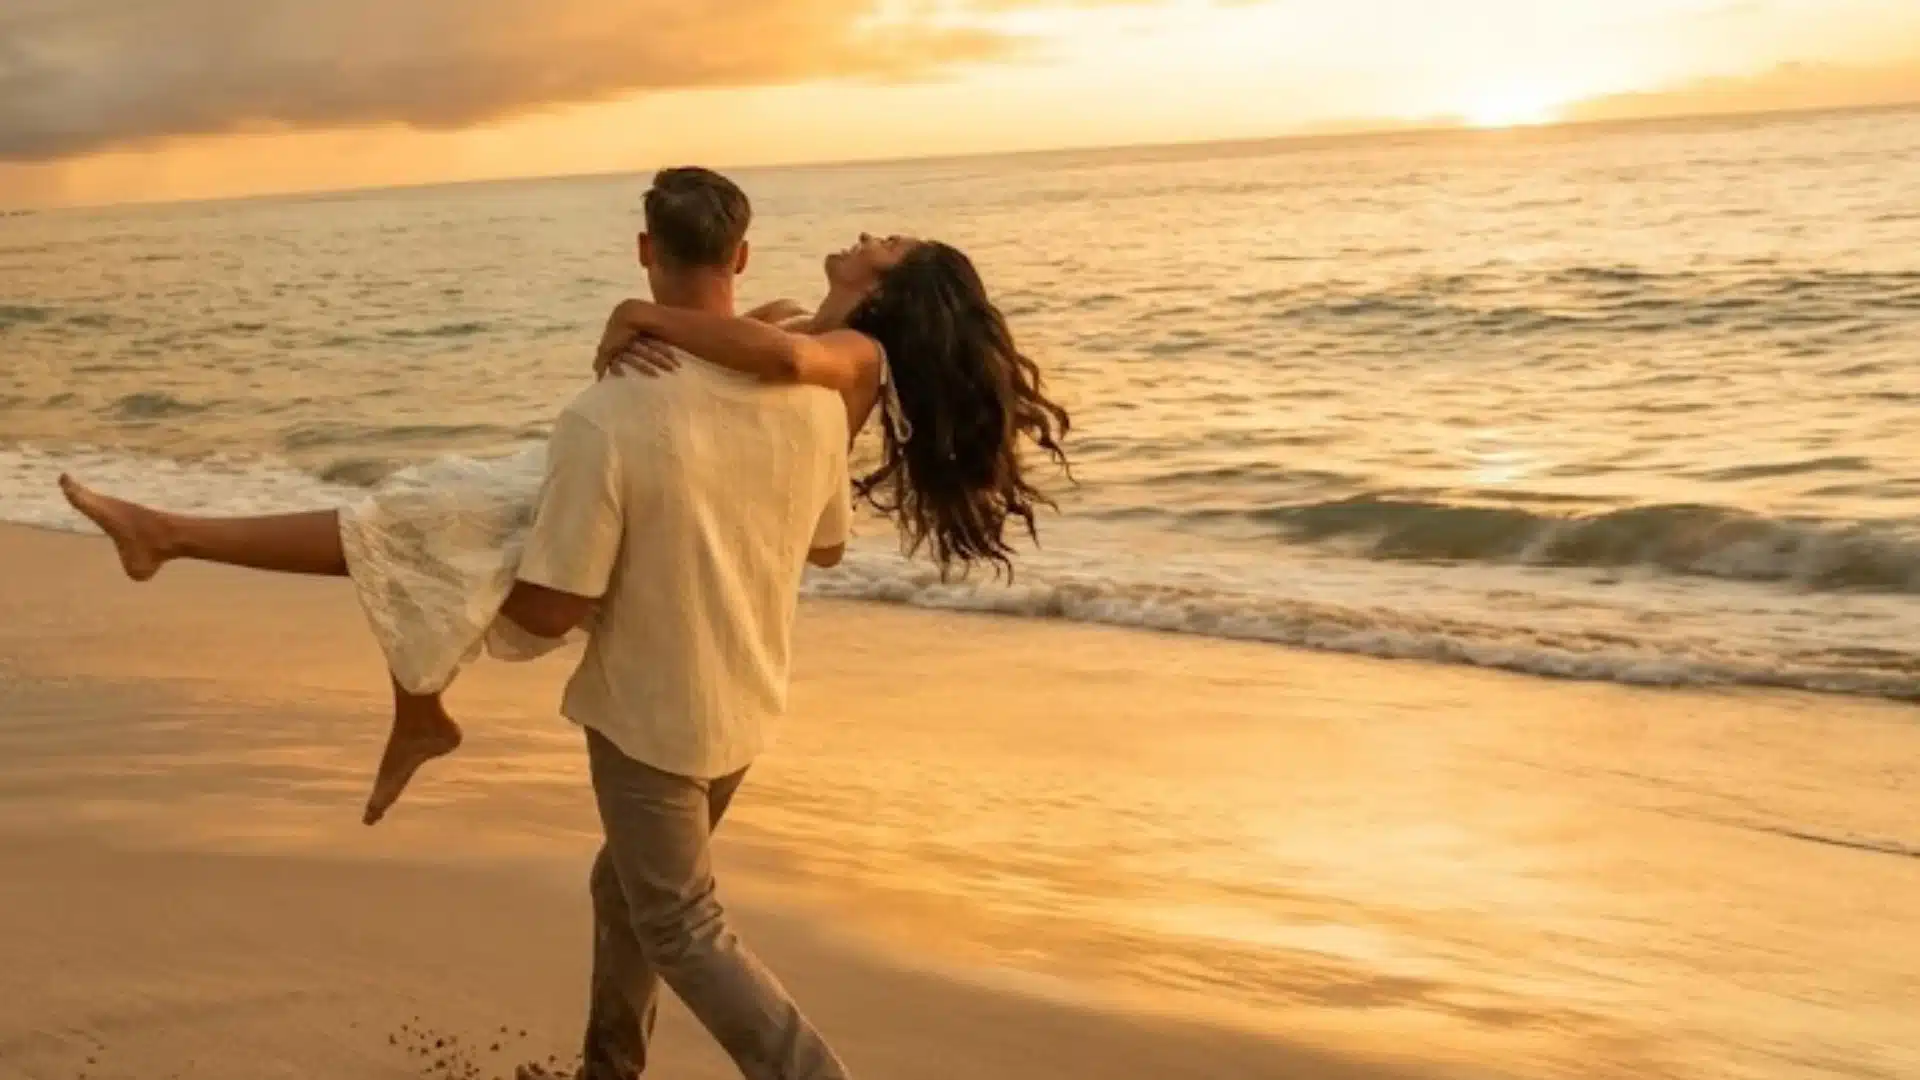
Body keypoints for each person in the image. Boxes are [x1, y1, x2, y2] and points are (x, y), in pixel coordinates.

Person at [56, 169, 1072, 834]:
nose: (866, 233)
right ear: (744, 256)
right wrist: (696, 337)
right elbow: (764, 350)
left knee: (419, 526)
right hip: (680, 509)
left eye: (884, 241)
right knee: (422, 510)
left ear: (645, 247)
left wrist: (639, 315)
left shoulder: (847, 353)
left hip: (672, 521)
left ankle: (199, 553)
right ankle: (181, 541)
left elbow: (780, 356)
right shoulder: (806, 330)